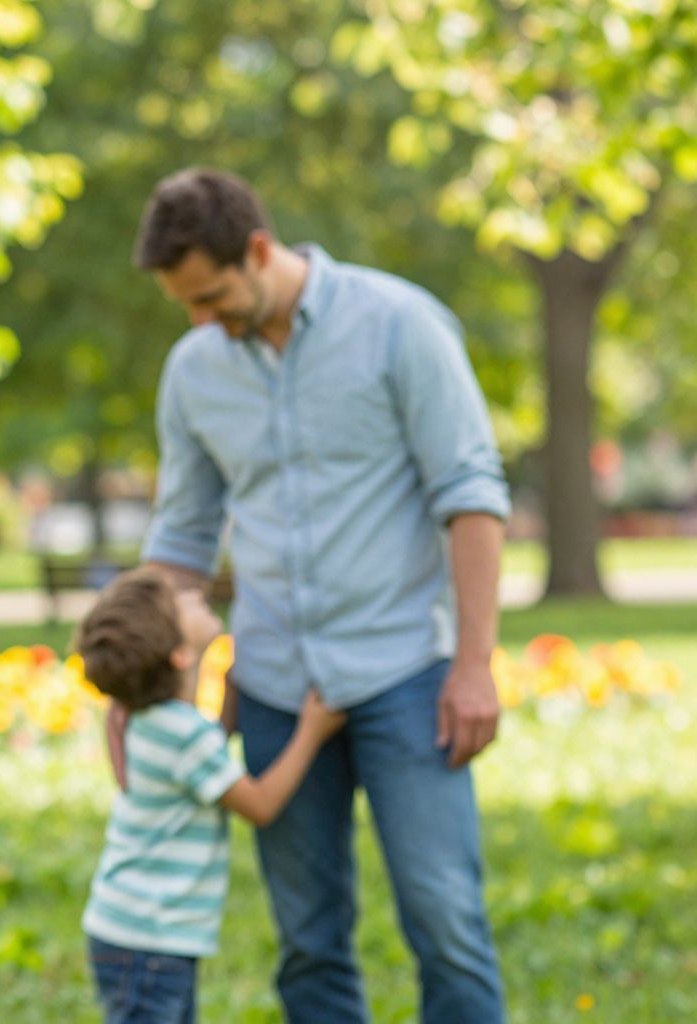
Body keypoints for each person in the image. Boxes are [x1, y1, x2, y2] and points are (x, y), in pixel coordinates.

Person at [130, 167, 510, 1022]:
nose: (200, 321)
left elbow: (472, 497)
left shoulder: (401, 325)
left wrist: (475, 665)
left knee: (446, 919)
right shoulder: (195, 369)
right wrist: (139, 689)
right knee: (308, 938)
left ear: (259, 250)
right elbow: (182, 539)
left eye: (211, 296)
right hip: (273, 682)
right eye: (184, 304)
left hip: (407, 674)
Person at [77, 567, 346, 1024]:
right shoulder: (182, 732)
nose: (190, 593)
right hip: (150, 940)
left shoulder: (155, 720)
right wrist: (311, 732)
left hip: (134, 933)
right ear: (179, 654)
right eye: (177, 602)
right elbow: (259, 805)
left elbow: (204, 758)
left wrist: (230, 694)